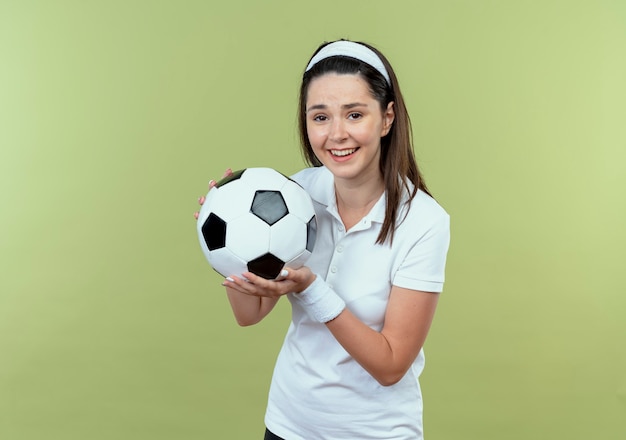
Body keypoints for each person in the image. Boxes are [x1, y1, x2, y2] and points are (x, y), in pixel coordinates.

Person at [196, 40, 450, 440]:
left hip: (376, 433)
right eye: (320, 117)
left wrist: (312, 289)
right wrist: (230, 242)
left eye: (354, 114)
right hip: (287, 425)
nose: (336, 135)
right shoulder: (295, 194)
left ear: (386, 119)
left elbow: (391, 365)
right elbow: (249, 314)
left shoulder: (424, 222)